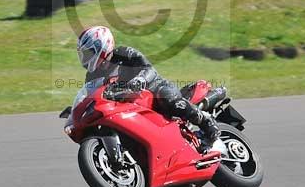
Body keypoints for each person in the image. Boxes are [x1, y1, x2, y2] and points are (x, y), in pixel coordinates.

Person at [75, 25, 219, 151]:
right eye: (84, 54)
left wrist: (141, 79)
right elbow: (91, 95)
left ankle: (207, 123)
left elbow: (149, 68)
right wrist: (78, 108)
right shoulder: (92, 76)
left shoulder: (124, 53)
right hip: (127, 104)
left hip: (154, 88)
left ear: (102, 46)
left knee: (169, 100)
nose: (85, 58)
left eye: (89, 53)